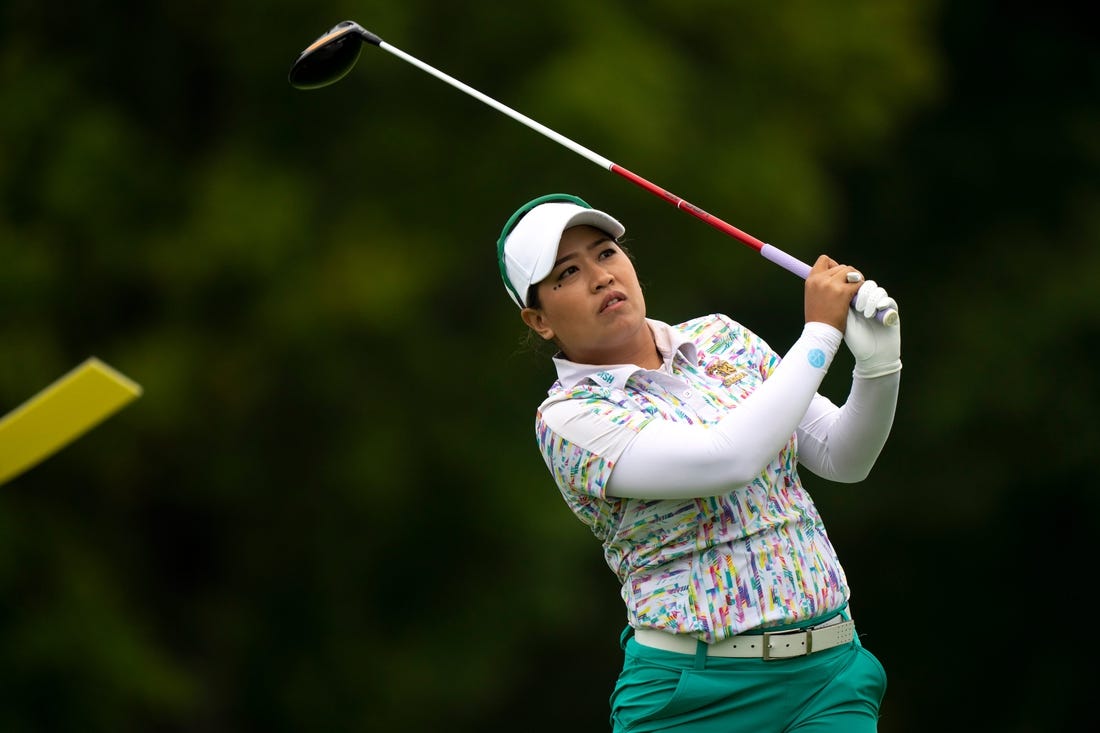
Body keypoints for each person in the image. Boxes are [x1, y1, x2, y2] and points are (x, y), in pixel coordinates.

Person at [496, 193, 901, 732]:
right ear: (539, 319)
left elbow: (841, 455)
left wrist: (878, 363)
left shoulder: (721, 337)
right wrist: (822, 334)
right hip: (693, 698)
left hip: (830, 676)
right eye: (567, 272)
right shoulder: (570, 418)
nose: (600, 277)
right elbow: (727, 460)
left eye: (606, 253)